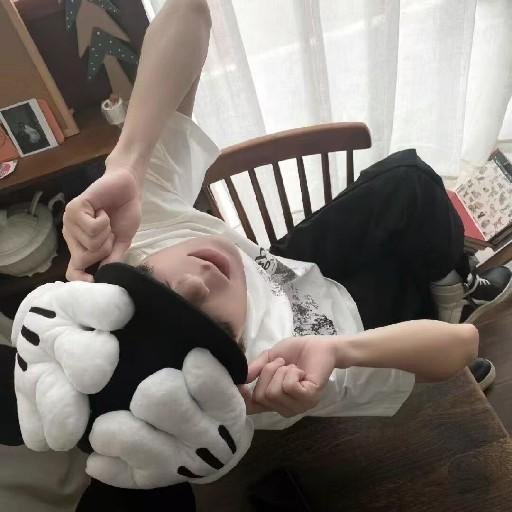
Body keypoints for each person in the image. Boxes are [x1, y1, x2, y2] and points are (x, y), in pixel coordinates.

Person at [23, 0, 509, 509]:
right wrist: (341, 352)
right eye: (212, 328)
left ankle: (452, 276)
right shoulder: (272, 369)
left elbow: (189, 11)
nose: (196, 280)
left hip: (279, 272)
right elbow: (462, 344)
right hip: (349, 326)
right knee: (418, 293)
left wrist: (128, 161)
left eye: (154, 283)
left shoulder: (144, 235)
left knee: (408, 179)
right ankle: (454, 293)